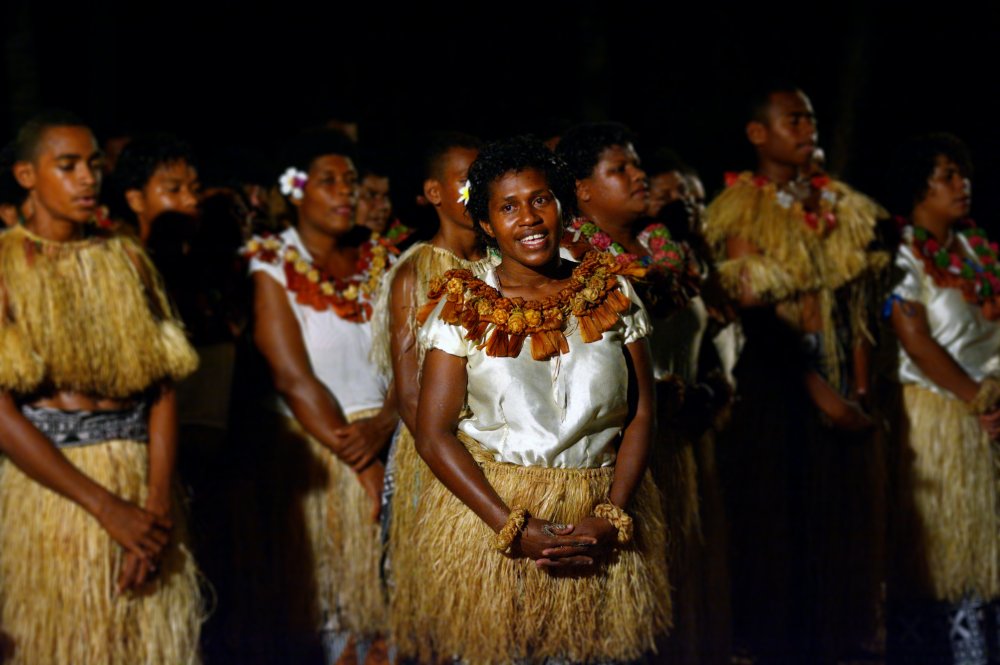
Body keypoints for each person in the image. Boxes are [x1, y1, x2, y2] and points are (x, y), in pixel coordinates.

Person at [413, 136, 670, 664]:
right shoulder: (462, 304)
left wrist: (613, 513)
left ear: (562, 207)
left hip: (597, 509)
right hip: (497, 519)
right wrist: (512, 526)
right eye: (507, 207)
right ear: (486, 224)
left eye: (540, 199)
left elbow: (643, 412)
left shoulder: (612, 291)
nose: (528, 217)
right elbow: (433, 433)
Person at [0, 110, 203, 663]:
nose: (88, 178)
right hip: (55, 495)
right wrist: (105, 507)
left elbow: (161, 388)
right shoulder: (5, 267)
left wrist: (156, 507)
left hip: (143, 481)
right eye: (67, 166)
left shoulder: (127, 259)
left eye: (92, 165)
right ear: (26, 176)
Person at [703, 84, 887, 663]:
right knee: (781, 536)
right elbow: (755, 314)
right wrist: (823, 398)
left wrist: (856, 391)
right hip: (777, 388)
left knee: (841, 535)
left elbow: (855, 308)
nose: (808, 127)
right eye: (793, 119)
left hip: (840, 383)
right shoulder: (741, 208)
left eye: (811, 117)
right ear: (759, 134)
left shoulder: (840, 205)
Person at [558, 125, 730, 664]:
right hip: (622, 453)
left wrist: (708, 387)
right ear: (582, 190)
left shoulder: (665, 247)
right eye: (621, 169)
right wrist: (647, 392)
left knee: (688, 586)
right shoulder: (569, 260)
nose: (640, 177)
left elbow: (705, 336)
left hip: (686, 443)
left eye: (638, 166)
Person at [245, 128, 398, 663]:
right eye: (328, 181)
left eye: (351, 182)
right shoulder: (270, 262)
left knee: (396, 618)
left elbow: (413, 356)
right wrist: (362, 462)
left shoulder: (381, 258)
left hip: (393, 438)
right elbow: (293, 377)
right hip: (320, 451)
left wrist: (384, 429)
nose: (345, 193)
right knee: (340, 612)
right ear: (294, 189)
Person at [368, 131, 498, 659]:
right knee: (439, 610)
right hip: (440, 459)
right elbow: (411, 393)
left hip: (503, 458)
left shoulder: (502, 267)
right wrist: (472, 463)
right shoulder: (418, 272)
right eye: (466, 180)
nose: (478, 191)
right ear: (434, 192)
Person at [883, 134, 1000, 664]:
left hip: (990, 412)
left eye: (964, 173)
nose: (963, 183)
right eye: (948, 175)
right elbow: (916, 340)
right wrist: (980, 402)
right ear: (918, 188)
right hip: (939, 417)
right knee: (944, 550)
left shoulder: (976, 248)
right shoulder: (902, 254)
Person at [111, 133, 201, 244]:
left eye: (196, 190)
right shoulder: (118, 259)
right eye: (174, 189)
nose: (192, 200)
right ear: (136, 200)